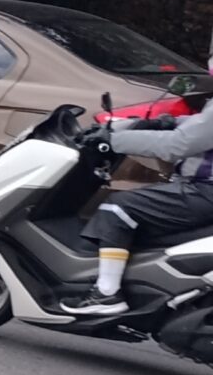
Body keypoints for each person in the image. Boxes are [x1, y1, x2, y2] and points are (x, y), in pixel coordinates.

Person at [65, 81, 213, 315]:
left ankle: (106, 294)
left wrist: (112, 141)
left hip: (205, 191)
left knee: (117, 209)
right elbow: (200, 129)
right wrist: (163, 122)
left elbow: (177, 145)